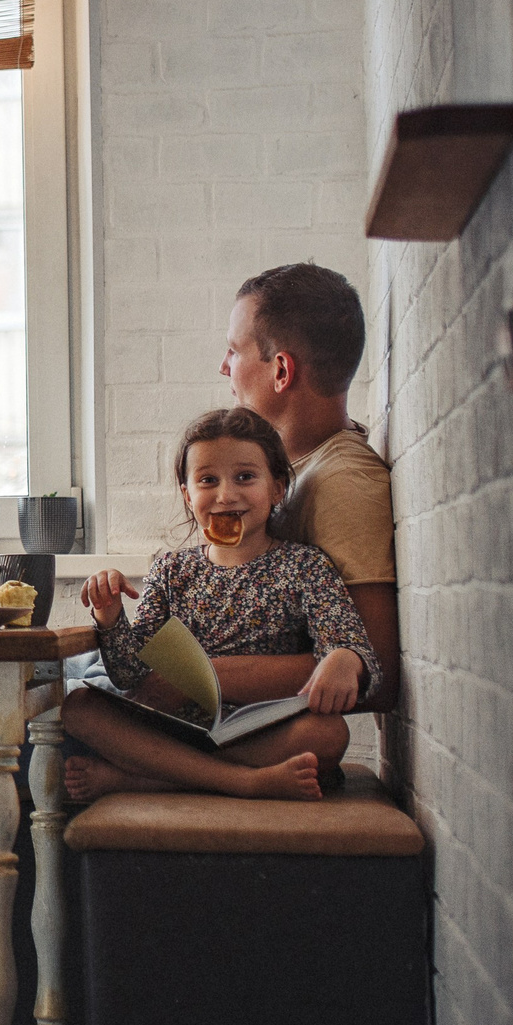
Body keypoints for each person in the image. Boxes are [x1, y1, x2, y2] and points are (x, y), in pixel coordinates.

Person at [62, 407, 380, 802]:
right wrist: (109, 616)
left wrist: (345, 658)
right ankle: (243, 782)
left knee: (329, 734)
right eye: (208, 480)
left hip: (258, 731)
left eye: (245, 477)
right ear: (187, 494)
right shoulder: (171, 569)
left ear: (277, 488)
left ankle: (152, 775)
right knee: (78, 707)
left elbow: (350, 644)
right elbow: (130, 675)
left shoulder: (305, 565)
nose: (226, 495)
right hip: (176, 728)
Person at [217, 262, 400, 707]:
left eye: (234, 351)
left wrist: (187, 677)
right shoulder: (293, 471)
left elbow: (377, 671)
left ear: (281, 371)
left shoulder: (344, 483)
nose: (224, 368)